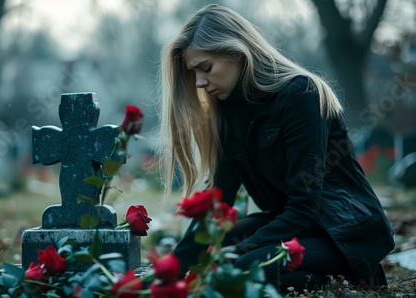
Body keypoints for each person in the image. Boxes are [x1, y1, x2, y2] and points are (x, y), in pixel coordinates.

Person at [155, 4, 395, 292]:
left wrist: (242, 250)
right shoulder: (228, 114)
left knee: (238, 266)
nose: (200, 83)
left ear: (237, 52)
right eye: (194, 74)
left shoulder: (300, 94)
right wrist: (166, 275)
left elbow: (304, 206)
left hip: (342, 234)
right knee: (222, 247)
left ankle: (356, 277)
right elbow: (217, 206)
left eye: (206, 68)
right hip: (293, 228)